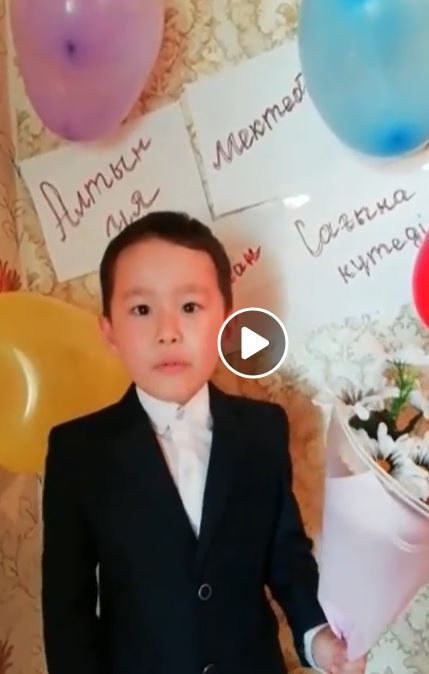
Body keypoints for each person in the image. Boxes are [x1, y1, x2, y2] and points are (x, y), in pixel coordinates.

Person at [42, 211, 366, 674]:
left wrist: (320, 638)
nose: (168, 331)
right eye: (141, 310)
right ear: (109, 331)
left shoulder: (263, 430)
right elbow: (67, 612)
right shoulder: (78, 451)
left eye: (190, 307)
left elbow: (286, 557)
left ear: (226, 325)